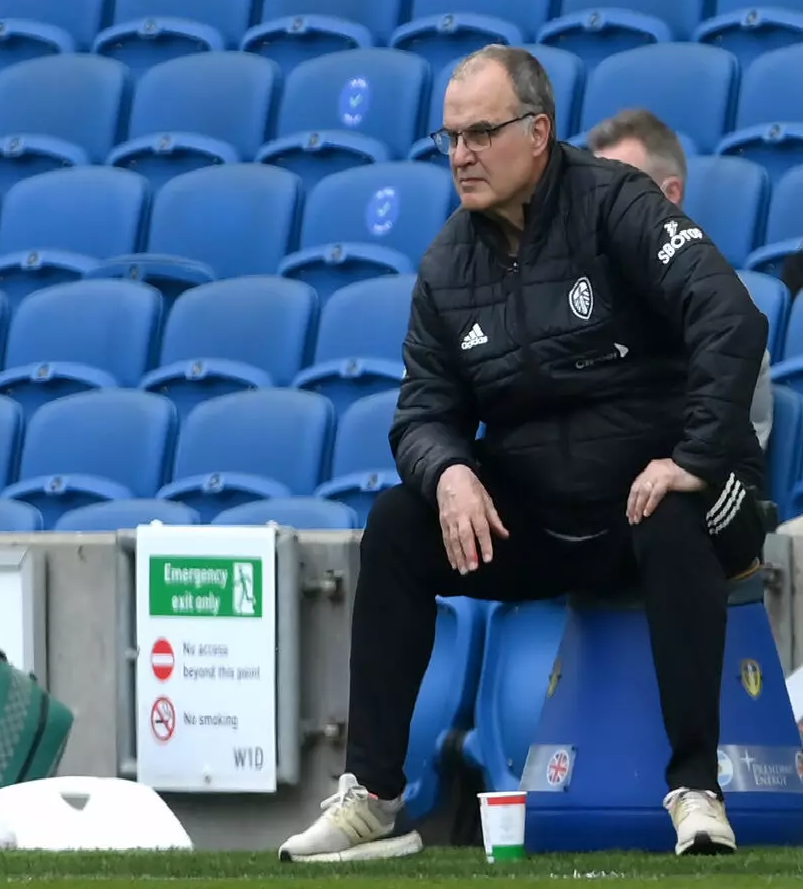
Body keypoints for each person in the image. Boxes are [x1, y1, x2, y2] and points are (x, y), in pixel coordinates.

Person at [278, 45, 768, 863]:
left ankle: (695, 791)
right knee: (399, 523)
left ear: (538, 132)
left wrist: (695, 451)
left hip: (667, 501)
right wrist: (451, 472)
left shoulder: (619, 204)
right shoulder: (444, 266)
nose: (461, 155)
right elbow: (420, 416)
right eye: (450, 139)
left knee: (677, 509)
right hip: (549, 523)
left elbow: (732, 315)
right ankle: (373, 797)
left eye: (480, 133)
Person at [585, 108, 773, 450]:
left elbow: (727, 454)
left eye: (619, 193)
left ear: (670, 194)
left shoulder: (725, 305)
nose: (601, 208)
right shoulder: (580, 296)